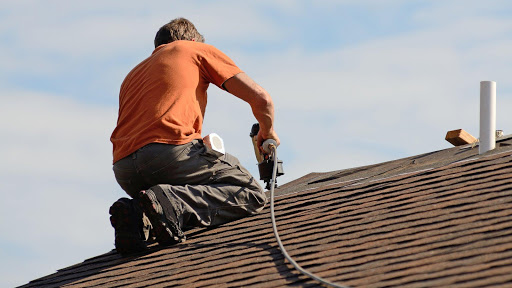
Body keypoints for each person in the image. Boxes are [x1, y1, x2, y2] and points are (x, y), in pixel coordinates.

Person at [108, 18, 280, 255]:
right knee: (249, 192)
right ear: (191, 40)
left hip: (125, 170)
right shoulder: (192, 49)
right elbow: (262, 100)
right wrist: (267, 131)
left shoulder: (132, 75)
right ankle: (172, 202)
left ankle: (139, 217)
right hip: (169, 154)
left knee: (160, 204)